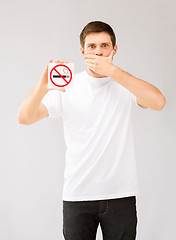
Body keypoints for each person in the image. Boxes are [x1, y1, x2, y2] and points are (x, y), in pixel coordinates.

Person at [17, 21, 166, 240]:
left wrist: (112, 71)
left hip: (120, 195)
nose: (98, 51)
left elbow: (159, 102)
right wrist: (41, 88)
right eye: (92, 46)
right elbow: (25, 118)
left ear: (114, 49)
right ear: (82, 51)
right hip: (78, 195)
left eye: (104, 46)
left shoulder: (125, 85)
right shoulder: (68, 86)